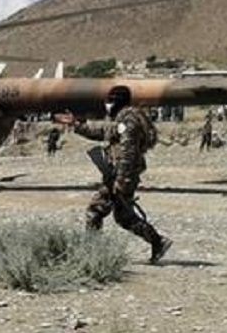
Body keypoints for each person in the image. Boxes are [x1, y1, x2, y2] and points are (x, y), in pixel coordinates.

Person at [55, 90, 172, 264]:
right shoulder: (123, 119)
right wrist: (76, 124)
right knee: (124, 217)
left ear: (117, 101)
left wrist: (121, 180)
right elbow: (101, 131)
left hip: (121, 175)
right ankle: (158, 241)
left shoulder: (129, 122)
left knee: (95, 211)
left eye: (109, 101)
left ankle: (92, 254)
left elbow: (128, 153)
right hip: (120, 174)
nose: (106, 105)